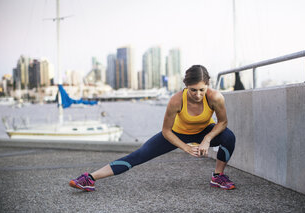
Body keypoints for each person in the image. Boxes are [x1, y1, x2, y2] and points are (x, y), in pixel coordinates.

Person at [69, 65, 236, 192]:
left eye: (202, 89)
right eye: (193, 90)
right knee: (139, 155)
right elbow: (166, 131)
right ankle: (89, 178)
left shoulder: (215, 97)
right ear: (186, 86)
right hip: (177, 134)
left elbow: (222, 122)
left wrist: (207, 139)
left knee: (229, 137)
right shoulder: (176, 100)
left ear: (208, 85)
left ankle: (218, 176)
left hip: (204, 131)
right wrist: (185, 147)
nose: (198, 95)